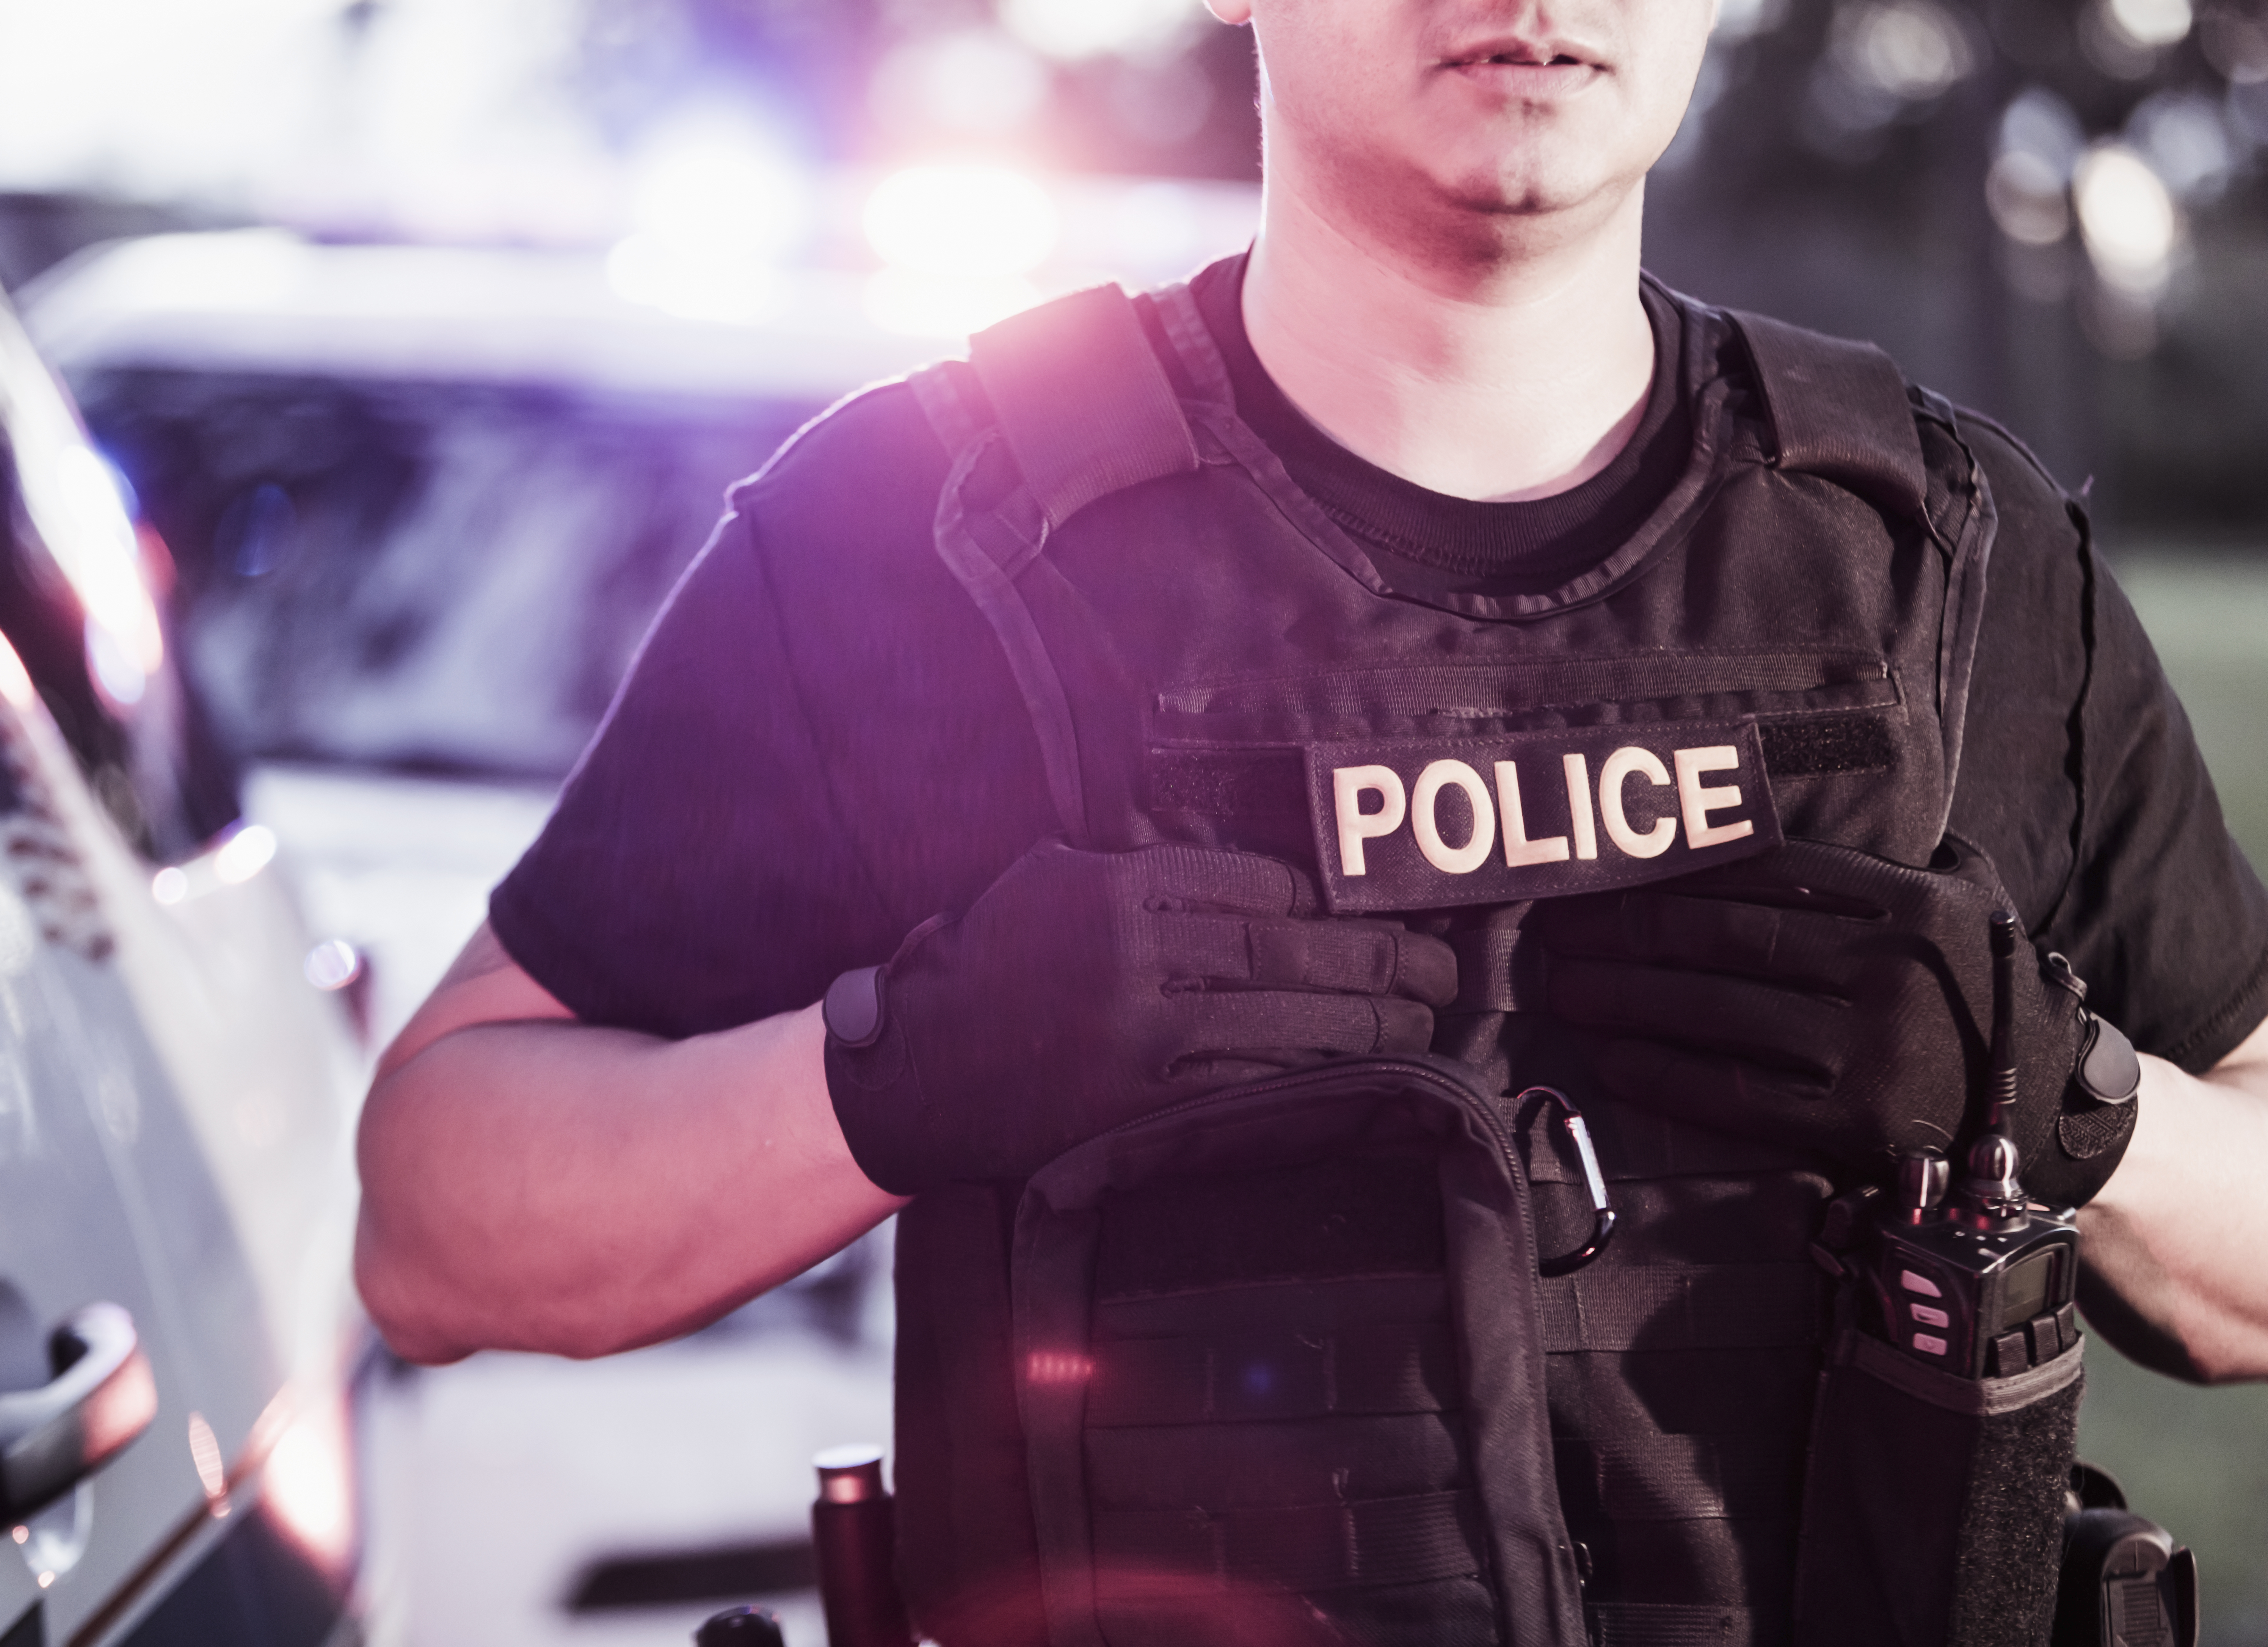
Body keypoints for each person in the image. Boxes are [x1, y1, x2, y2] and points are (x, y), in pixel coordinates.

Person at [354, 0, 2268, 1639]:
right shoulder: (916, 545)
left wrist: (2075, 1100)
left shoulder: (1955, 558)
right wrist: (885, 1081)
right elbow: (436, 1223)